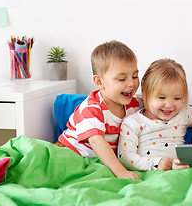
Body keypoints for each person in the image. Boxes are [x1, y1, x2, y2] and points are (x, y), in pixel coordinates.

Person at [57, 40, 142, 179]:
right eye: (122, 79)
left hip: (97, 160)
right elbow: (97, 142)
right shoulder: (91, 109)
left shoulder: (135, 104)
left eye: (135, 76)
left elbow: (157, 105)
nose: (131, 83)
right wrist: (121, 172)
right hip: (70, 153)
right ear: (99, 82)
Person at [118, 59, 192, 171]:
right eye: (161, 98)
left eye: (177, 98)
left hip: (177, 174)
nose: (169, 105)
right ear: (145, 93)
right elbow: (125, 156)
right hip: (148, 173)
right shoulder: (133, 122)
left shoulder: (183, 113)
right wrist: (156, 164)